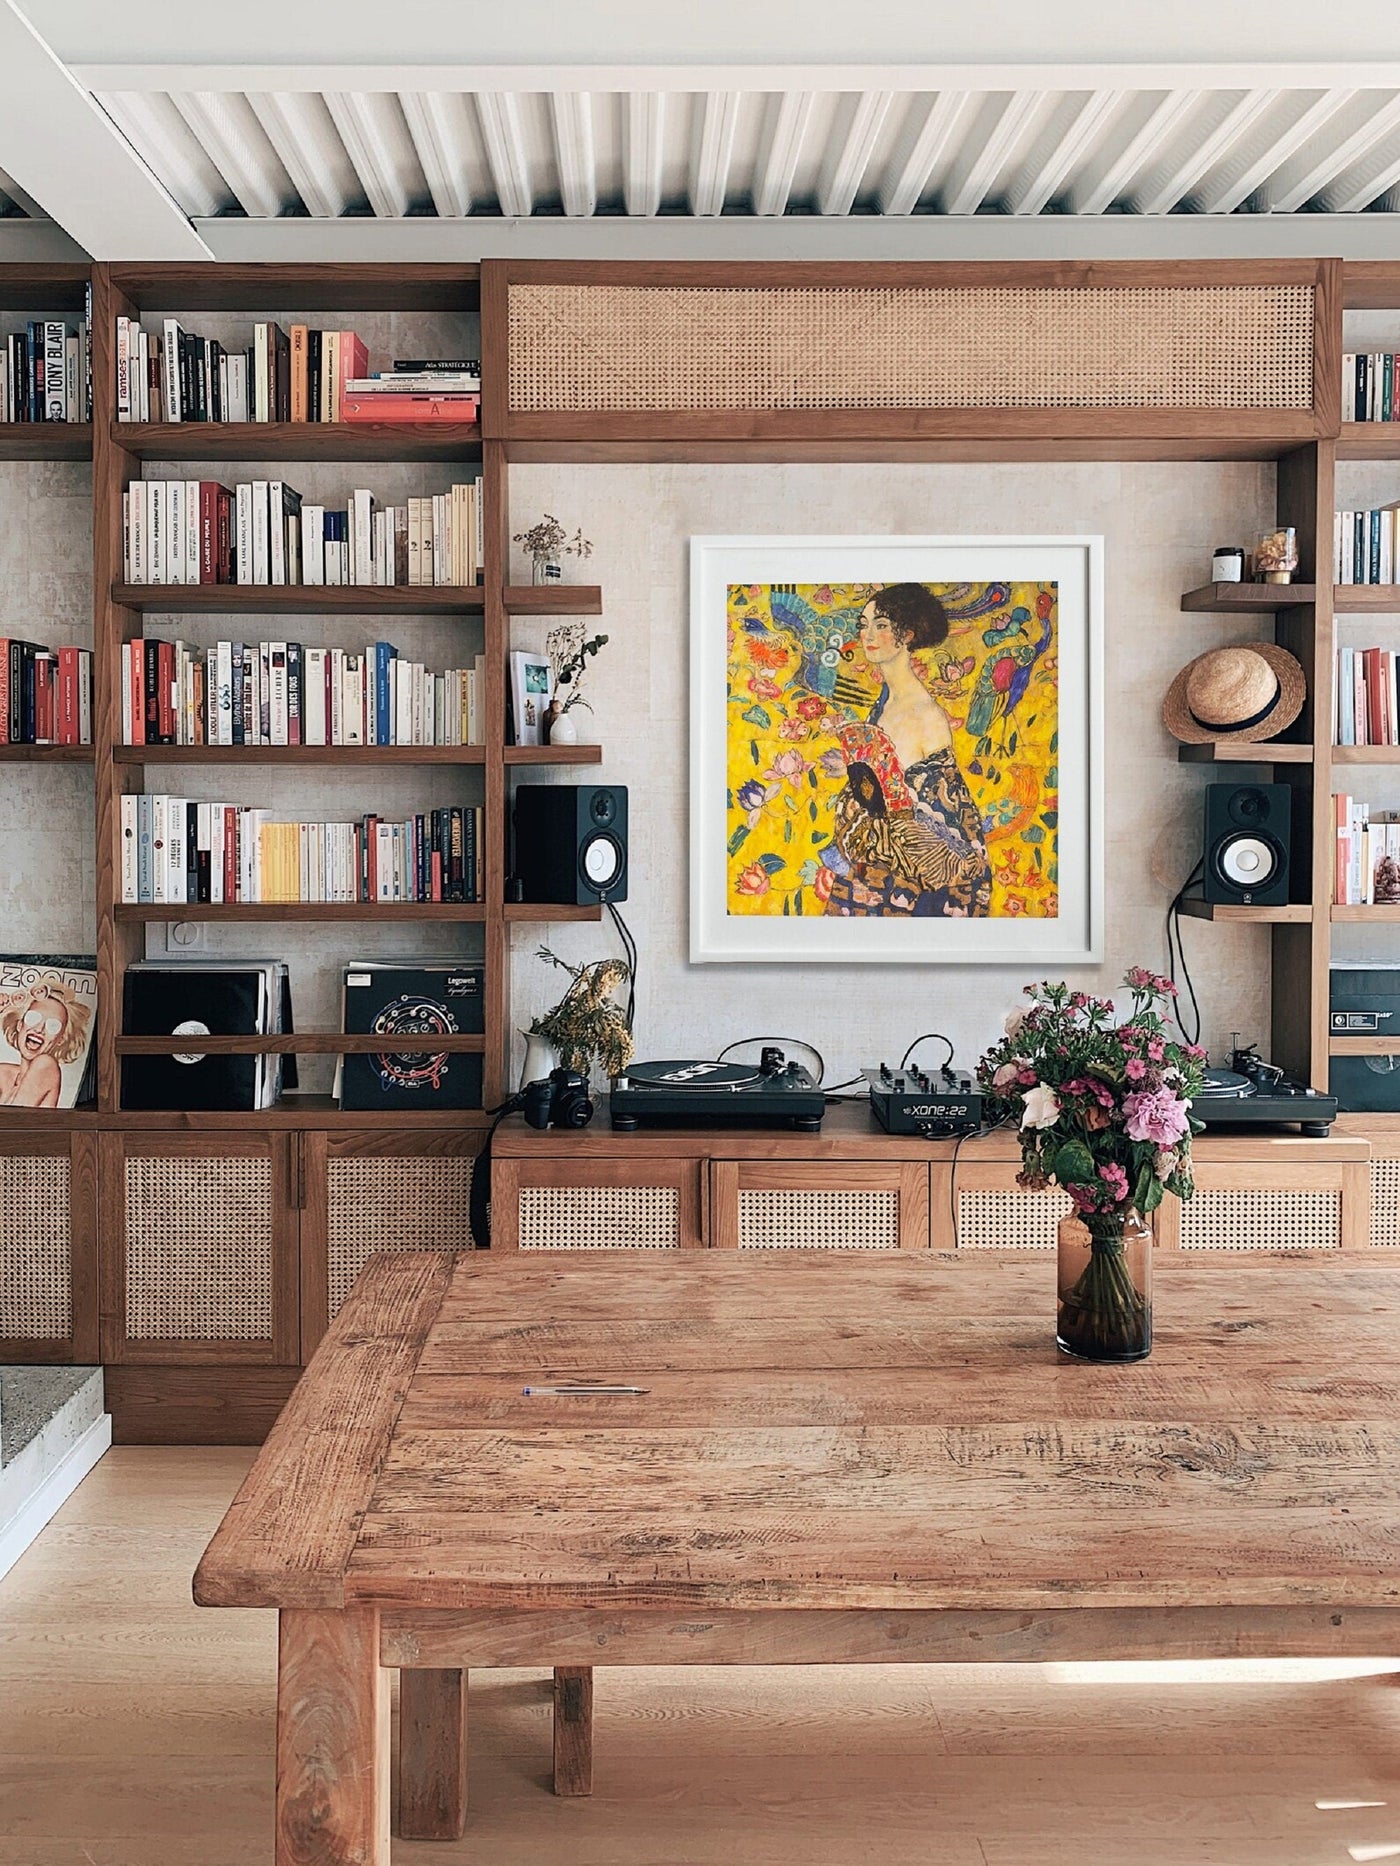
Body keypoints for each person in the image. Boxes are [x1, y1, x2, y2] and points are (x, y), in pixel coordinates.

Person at [823, 583, 991, 917]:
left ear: (907, 635)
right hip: (874, 865)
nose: (868, 635)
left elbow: (946, 820)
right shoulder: (885, 702)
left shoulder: (924, 714)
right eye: (864, 625)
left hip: (916, 881)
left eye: (881, 625)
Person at [0, 979, 92, 1108]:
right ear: (20, 1025)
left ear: (60, 1039)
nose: (39, 1029)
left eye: (53, 1026)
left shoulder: (46, 1065)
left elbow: (15, 1118)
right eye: (33, 1018)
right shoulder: (4, 1073)